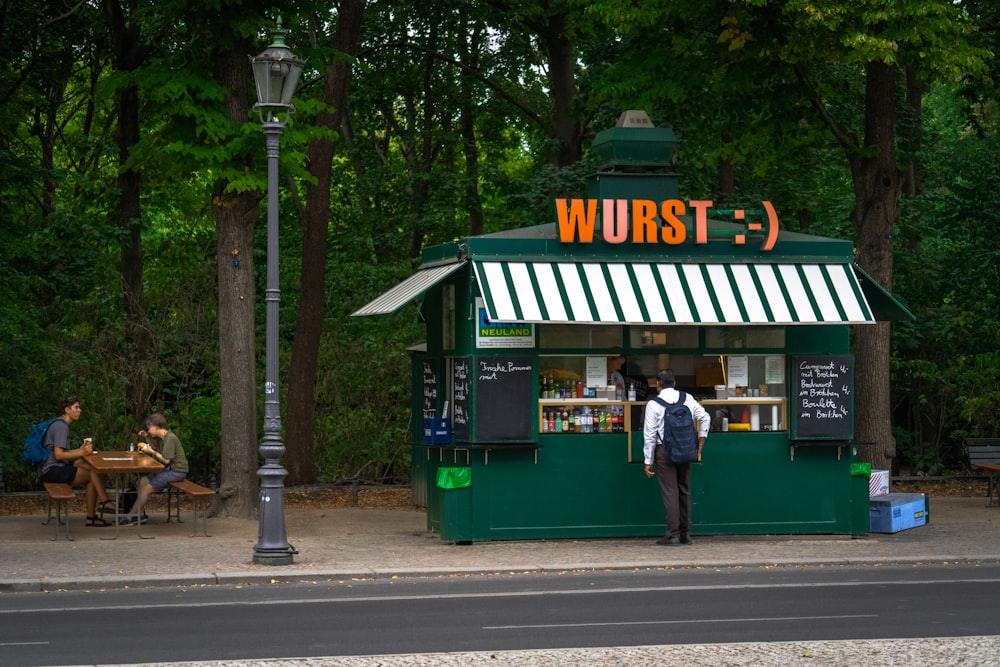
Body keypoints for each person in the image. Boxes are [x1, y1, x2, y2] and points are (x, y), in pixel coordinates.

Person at [643, 370, 710, 546]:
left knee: (670, 492)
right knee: (684, 489)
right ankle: (685, 534)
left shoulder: (653, 404)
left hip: (664, 451)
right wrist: (700, 444)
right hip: (687, 449)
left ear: (658, 384)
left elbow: (649, 435)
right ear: (675, 382)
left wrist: (648, 461)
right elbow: (705, 417)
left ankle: (672, 534)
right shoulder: (686, 398)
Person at [38, 395, 114, 526]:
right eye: (76, 407)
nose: (80, 410)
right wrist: (81, 452)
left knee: (88, 466)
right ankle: (104, 502)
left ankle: (93, 516)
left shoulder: (58, 423)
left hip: (54, 467)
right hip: (51, 470)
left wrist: (79, 450)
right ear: (67, 410)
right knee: (93, 473)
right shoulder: (61, 427)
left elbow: (62, 452)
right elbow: (59, 455)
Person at [120, 413, 188, 524]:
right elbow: (155, 448)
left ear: (156, 426)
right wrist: (146, 437)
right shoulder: (164, 437)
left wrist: (151, 452)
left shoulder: (170, 438)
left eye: (149, 428)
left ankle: (130, 517)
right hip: (169, 469)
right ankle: (140, 515)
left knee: (145, 490)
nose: (149, 430)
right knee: (141, 482)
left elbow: (166, 460)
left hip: (177, 471)